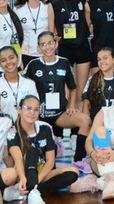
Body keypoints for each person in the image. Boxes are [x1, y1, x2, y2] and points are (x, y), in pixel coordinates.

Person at [3, 95, 81, 204]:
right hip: (23, 174)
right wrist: (23, 178)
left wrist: (37, 180)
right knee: (32, 152)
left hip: (42, 174)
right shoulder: (12, 131)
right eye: (28, 108)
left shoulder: (45, 128)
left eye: (36, 109)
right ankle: (31, 192)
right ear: (19, 110)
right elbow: (17, 158)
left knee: (73, 172)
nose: (32, 112)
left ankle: (30, 191)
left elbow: (50, 161)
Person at [23, 32, 91, 165]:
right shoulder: (33, 64)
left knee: (85, 120)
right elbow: (23, 84)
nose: (47, 47)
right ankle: (49, 146)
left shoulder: (64, 62)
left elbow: (73, 87)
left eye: (50, 43)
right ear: (38, 48)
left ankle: (79, 160)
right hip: (39, 115)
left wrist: (71, 106)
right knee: (46, 156)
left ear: (56, 44)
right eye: (43, 44)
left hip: (59, 114)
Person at [50, 0, 92, 100]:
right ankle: (67, 112)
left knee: (80, 91)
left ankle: (78, 113)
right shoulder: (54, 2)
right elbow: (51, 27)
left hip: (82, 47)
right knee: (66, 91)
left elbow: (88, 15)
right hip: (64, 48)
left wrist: (83, 30)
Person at [14, 0, 56, 67]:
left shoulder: (47, 7)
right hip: (26, 54)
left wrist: (52, 53)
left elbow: (51, 32)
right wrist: (18, 58)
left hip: (45, 53)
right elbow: (15, 36)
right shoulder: (18, 10)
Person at [0, 45, 38, 122]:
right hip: (3, 126)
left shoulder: (30, 84)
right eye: (3, 60)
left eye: (11, 58)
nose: (8, 62)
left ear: (18, 59)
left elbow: (35, 111)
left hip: (26, 126)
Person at [82, 47, 114, 128]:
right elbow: (86, 102)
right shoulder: (93, 79)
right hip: (97, 122)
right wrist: (86, 121)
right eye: (99, 59)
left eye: (105, 58)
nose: (101, 61)